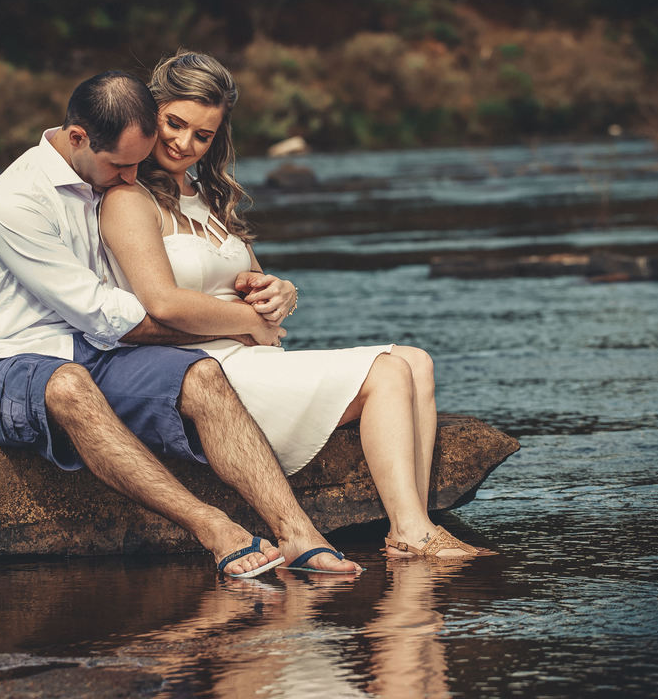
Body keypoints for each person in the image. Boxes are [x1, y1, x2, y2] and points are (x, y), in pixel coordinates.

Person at [0, 70, 361, 577]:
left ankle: (298, 532)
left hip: (94, 351)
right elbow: (105, 315)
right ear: (77, 138)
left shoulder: (105, 174)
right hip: (8, 366)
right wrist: (236, 326)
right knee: (69, 385)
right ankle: (214, 527)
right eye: (121, 166)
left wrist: (272, 293)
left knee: (203, 373)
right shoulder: (15, 202)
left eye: (138, 164)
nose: (130, 178)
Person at [99, 52, 483, 558]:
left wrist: (282, 292)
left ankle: (417, 520)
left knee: (417, 361)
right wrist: (248, 324)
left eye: (203, 135)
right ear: (151, 113)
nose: (184, 144)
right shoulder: (128, 200)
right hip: (201, 371)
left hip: (253, 356)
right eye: (175, 123)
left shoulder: (208, 195)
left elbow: (250, 281)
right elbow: (163, 303)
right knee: (388, 372)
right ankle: (410, 532)